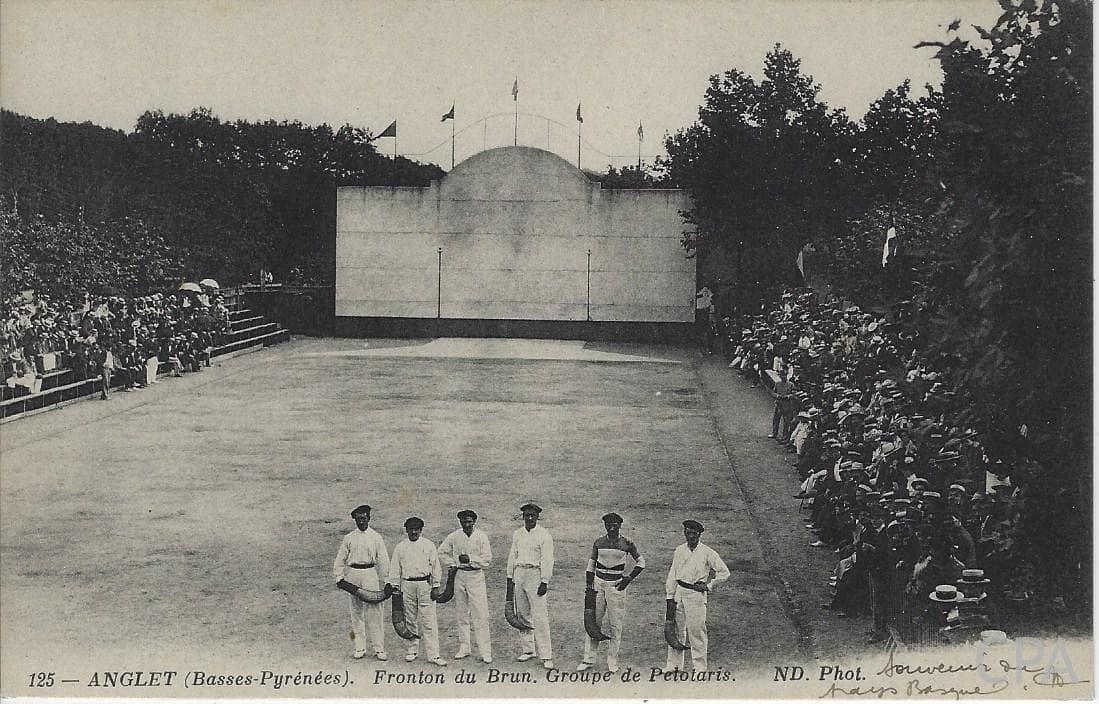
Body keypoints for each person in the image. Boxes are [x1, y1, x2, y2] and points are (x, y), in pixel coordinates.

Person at [577, 512, 645, 674]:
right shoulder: (599, 542)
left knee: (616, 624)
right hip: (598, 585)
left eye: (615, 524)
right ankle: (588, 659)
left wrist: (628, 578)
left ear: (620, 525)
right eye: (608, 524)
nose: (611, 527)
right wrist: (589, 586)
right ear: (605, 526)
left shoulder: (627, 543)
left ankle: (612, 661)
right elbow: (591, 565)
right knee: (593, 622)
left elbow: (641, 562)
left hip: (617, 587)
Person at [664, 519, 730, 672]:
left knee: (696, 631)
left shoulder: (707, 552)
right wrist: (670, 596)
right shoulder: (679, 550)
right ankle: (674, 665)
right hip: (679, 592)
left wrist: (709, 585)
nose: (691, 536)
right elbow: (673, 574)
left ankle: (699, 668)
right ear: (684, 533)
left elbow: (724, 572)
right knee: (676, 630)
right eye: (688, 533)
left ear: (699, 534)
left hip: (695, 595)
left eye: (694, 533)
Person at [332, 504, 390, 661]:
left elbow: (383, 561)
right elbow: (340, 559)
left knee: (375, 612)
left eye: (364, 519)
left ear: (369, 518)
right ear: (355, 520)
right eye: (358, 519)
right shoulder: (349, 538)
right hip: (353, 574)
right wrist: (339, 577)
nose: (361, 522)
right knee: (356, 612)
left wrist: (387, 581)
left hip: (370, 573)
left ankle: (379, 648)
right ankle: (360, 647)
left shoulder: (376, 537)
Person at [388, 516, 447, 666]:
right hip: (407, 584)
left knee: (429, 619)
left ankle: (434, 655)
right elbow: (395, 568)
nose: (414, 532)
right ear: (406, 530)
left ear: (421, 530)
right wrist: (395, 586)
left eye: (416, 529)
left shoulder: (428, 545)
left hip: (425, 585)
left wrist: (436, 585)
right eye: (411, 529)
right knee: (410, 619)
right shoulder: (400, 547)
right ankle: (412, 650)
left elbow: (436, 567)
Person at [438, 509, 493, 664]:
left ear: (474, 522)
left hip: (476, 576)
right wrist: (454, 563)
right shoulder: (455, 536)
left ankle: (485, 651)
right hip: (460, 575)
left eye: (469, 521)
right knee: (462, 613)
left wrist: (471, 559)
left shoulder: (481, 536)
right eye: (463, 521)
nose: (466, 524)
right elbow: (441, 552)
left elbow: (487, 560)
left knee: (480, 614)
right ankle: (464, 647)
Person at [506, 502, 555, 670]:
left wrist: (544, 581)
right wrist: (510, 576)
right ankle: (528, 650)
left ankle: (546, 655)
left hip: (535, 574)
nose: (529, 518)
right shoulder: (518, 533)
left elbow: (547, 559)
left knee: (540, 616)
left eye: (532, 515)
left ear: (537, 517)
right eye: (526, 515)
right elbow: (513, 556)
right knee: (523, 614)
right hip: (520, 573)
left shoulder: (544, 535)